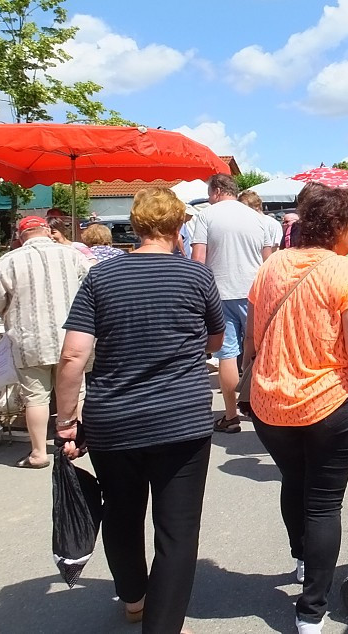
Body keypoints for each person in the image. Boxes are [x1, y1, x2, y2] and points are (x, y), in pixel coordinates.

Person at [54, 187, 224, 634]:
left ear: (135, 224)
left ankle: (133, 598)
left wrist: (67, 420)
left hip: (115, 420)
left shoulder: (100, 278)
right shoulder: (197, 277)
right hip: (181, 420)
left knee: (122, 513)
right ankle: (163, 626)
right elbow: (215, 341)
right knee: (178, 530)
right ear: (179, 226)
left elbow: (73, 356)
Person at [244, 185, 348, 634]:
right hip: (329, 402)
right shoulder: (345, 271)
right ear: (339, 227)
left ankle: (299, 557)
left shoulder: (271, 265)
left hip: (271, 404)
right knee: (325, 503)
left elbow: (253, 336)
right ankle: (310, 610)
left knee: (294, 480)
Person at [0, 216, 92, 468]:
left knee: (35, 398)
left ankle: (39, 453)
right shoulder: (72, 255)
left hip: (29, 339)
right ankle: (78, 442)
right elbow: (92, 286)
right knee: (77, 392)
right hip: (73, 336)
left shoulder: (7, 261)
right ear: (46, 230)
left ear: (21, 236)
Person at [192, 173, 272, 434]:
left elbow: (198, 258)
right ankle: (258, 407)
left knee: (227, 354)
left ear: (216, 191)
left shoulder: (206, 216)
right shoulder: (257, 218)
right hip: (255, 292)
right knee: (258, 350)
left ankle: (230, 415)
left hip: (219, 292)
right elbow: (269, 261)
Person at [238, 190, 282, 258]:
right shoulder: (243, 223)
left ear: (257, 206)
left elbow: (276, 249)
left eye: (245, 206)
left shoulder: (272, 224)